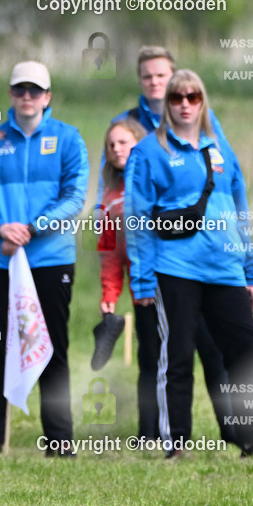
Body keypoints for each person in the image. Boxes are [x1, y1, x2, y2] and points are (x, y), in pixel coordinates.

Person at [124, 70, 253, 459]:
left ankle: (252, 440)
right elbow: (135, 219)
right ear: (167, 104)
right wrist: (140, 283)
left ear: (203, 102)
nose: (185, 104)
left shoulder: (220, 148)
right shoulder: (147, 152)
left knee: (244, 350)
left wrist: (250, 271)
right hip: (176, 269)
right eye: (177, 97)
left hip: (225, 268)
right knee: (179, 355)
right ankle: (177, 444)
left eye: (193, 97)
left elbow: (241, 211)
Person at [105, 46, 235, 434]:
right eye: (148, 76)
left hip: (205, 255)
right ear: (140, 81)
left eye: (162, 76)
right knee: (156, 350)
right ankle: (154, 433)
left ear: (176, 78)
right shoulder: (125, 125)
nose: (156, 83)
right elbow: (112, 190)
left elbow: (226, 176)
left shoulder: (205, 120)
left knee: (213, 351)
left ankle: (236, 432)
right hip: (154, 256)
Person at [0, 61, 88, 456]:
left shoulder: (69, 139)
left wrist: (32, 227)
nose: (27, 97)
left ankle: (58, 439)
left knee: (52, 346)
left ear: (48, 96)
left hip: (51, 258)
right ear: (11, 94)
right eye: (20, 89)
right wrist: (1, 229)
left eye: (35, 90)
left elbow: (74, 199)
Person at [93, 119, 153, 435]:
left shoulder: (156, 178)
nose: (117, 149)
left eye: (124, 143)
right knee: (149, 357)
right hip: (140, 288)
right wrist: (109, 296)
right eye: (111, 144)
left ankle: (240, 433)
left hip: (176, 281)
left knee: (197, 356)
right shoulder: (109, 196)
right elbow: (110, 253)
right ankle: (150, 433)